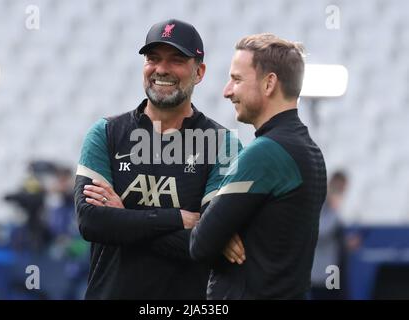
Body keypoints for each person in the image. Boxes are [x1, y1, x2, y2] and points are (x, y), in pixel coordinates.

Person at [74, 18, 241, 299]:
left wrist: (124, 219)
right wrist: (176, 219)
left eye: (176, 60)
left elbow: (211, 245)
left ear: (199, 72)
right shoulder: (106, 133)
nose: (161, 69)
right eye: (153, 58)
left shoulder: (222, 144)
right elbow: (92, 223)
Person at [189, 33, 327, 299]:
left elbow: (200, 243)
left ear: (269, 83)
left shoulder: (265, 153)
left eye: (237, 79)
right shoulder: (308, 148)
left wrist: (215, 232)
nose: (227, 91)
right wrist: (220, 232)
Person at [311, 170, 348, 299]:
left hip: (333, 267)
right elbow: (320, 231)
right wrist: (334, 210)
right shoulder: (322, 202)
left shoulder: (332, 206)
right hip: (322, 270)